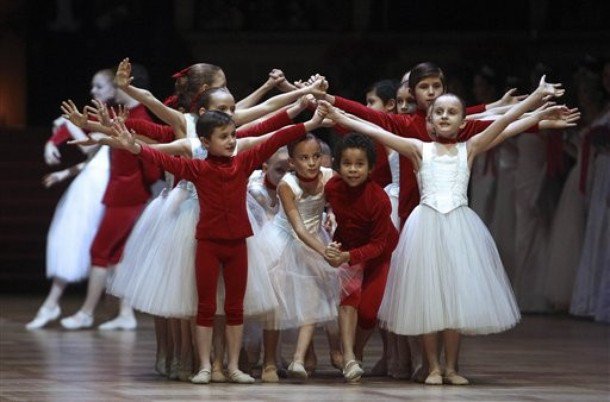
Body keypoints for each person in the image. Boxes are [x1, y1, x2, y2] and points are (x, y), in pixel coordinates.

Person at [320, 74, 572, 385]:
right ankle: (432, 367)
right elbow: (376, 129)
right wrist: (340, 116)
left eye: (451, 112)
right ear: (428, 119)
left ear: (463, 121)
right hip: (425, 228)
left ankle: (451, 367)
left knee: (453, 301)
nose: (443, 116)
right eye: (438, 112)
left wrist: (535, 100)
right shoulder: (417, 149)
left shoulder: (470, 147)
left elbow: (506, 124)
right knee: (428, 300)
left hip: (458, 229)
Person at [101, 106, 326, 384]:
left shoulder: (243, 163)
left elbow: (275, 138)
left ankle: (233, 366)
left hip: (237, 246)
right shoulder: (197, 168)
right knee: (205, 307)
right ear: (206, 142)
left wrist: (310, 124)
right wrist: (134, 147)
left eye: (233, 135)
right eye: (224, 136)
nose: (232, 141)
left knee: (235, 307)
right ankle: (206, 366)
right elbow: (161, 157)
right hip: (208, 245)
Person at [26, 68, 116, 330]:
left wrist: (68, 125)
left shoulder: (112, 118)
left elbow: (89, 146)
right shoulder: (97, 116)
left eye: (99, 87)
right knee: (74, 236)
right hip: (94, 180)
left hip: (103, 186)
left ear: (113, 90)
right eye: (93, 86)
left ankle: (56, 304)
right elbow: (94, 157)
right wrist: (62, 169)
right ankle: (52, 303)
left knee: (92, 242)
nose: (94, 92)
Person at [254, 134, 341, 381]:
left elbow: (336, 199)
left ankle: (299, 359)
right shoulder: (286, 184)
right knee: (276, 305)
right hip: (284, 242)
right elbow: (298, 228)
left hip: (314, 238)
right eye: (304, 158)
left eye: (315, 157)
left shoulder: (328, 176)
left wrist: (332, 213)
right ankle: (269, 362)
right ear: (292, 162)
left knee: (312, 301)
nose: (312, 163)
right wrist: (324, 252)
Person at [324, 133, 399, 383]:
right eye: (347, 164)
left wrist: (349, 255)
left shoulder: (378, 199)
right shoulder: (333, 188)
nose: (353, 170)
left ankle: (356, 351)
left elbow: (378, 244)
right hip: (348, 247)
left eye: (359, 164)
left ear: (370, 168)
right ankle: (349, 357)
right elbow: (328, 211)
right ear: (338, 165)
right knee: (349, 301)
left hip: (378, 253)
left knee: (368, 312)